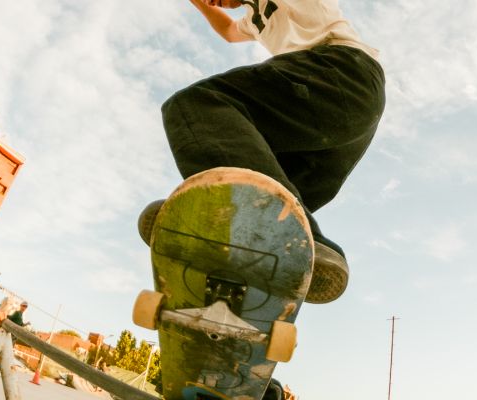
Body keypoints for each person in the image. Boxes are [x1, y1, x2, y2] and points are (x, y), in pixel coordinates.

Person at [139, 0, 385, 398]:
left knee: (196, 106)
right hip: (335, 128)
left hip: (338, 75)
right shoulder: (255, 20)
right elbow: (227, 30)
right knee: (268, 213)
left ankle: (246, 219)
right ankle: (308, 255)